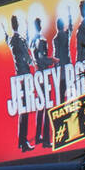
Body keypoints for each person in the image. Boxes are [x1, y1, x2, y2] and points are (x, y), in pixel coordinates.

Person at [5, 14, 34, 150]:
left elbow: (8, 38)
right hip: (24, 76)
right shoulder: (18, 40)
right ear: (17, 24)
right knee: (25, 109)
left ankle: (21, 142)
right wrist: (34, 62)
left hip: (19, 76)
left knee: (23, 110)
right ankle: (23, 142)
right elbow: (27, 57)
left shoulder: (11, 40)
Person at [30, 17, 54, 148]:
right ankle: (45, 140)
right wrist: (53, 60)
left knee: (41, 106)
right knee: (47, 106)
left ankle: (39, 136)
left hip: (37, 75)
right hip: (43, 75)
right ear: (39, 26)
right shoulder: (41, 40)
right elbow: (41, 59)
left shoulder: (32, 41)